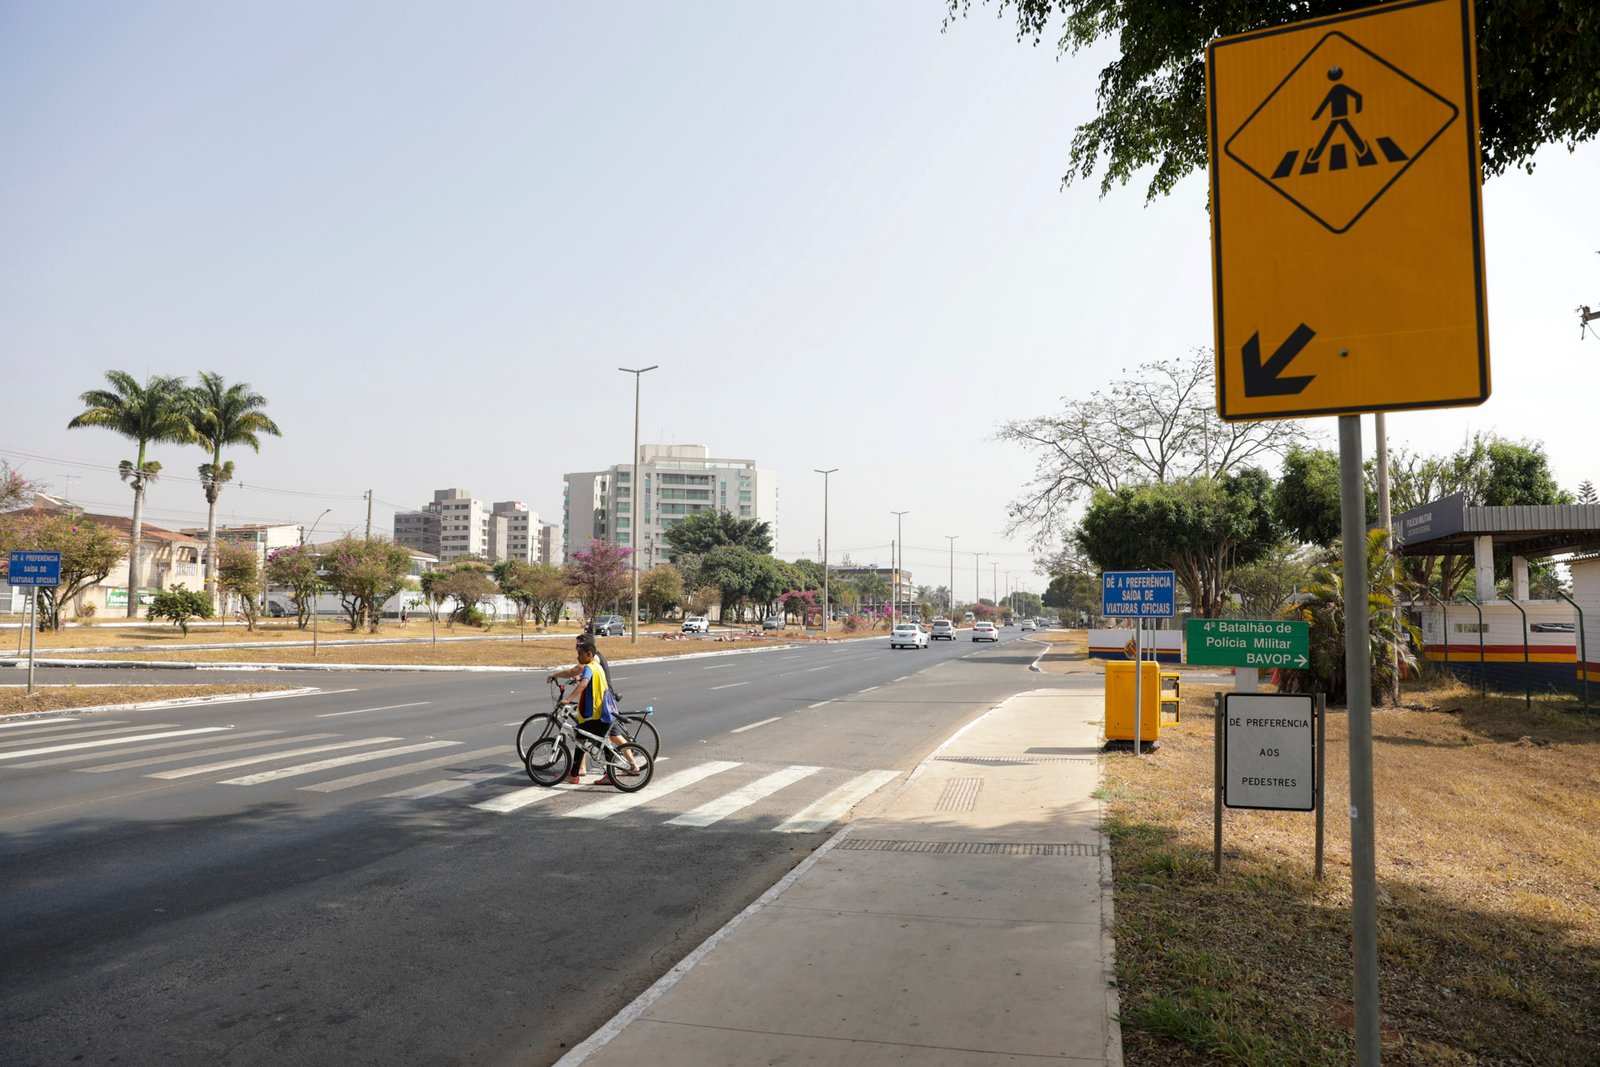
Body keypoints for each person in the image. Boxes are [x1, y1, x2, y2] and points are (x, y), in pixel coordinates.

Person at [546, 644, 636, 785]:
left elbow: (584, 683)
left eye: (580, 654)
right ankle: (607, 775)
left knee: (581, 739)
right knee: (598, 742)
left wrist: (567, 699)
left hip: (595, 714)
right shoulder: (597, 667)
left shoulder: (589, 668)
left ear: (588, 655)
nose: (578, 657)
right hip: (604, 712)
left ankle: (575, 774)